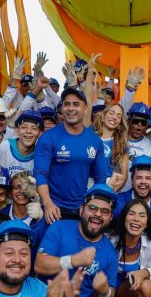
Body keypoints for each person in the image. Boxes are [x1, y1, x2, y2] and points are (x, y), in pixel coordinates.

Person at [33, 87, 108, 222]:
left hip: (81, 210)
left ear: (85, 109)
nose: (71, 108)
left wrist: (91, 203)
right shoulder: (48, 138)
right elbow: (40, 173)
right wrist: (47, 203)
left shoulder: (95, 140)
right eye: (67, 104)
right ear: (62, 108)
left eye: (76, 104)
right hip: (53, 209)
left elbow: (101, 176)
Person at [0, 109, 43, 178]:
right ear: (17, 130)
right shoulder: (2, 147)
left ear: (40, 133)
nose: (28, 131)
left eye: (34, 128)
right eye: (24, 127)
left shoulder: (42, 156)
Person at [1, 171, 48, 251]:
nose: (22, 191)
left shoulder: (44, 214)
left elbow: (43, 247)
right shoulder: (2, 214)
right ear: (10, 192)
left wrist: (40, 221)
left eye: (26, 187)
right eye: (17, 187)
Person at [121, 102, 151, 193]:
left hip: (142, 195)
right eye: (136, 121)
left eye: (143, 122)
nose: (139, 124)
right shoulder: (118, 141)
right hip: (120, 194)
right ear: (129, 122)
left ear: (146, 125)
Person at [92, 102, 129, 190]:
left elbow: (123, 178)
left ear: (120, 124)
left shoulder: (121, 144)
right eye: (111, 113)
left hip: (109, 185)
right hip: (87, 183)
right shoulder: (90, 137)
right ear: (103, 117)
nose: (114, 117)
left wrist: (108, 194)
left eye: (118, 116)